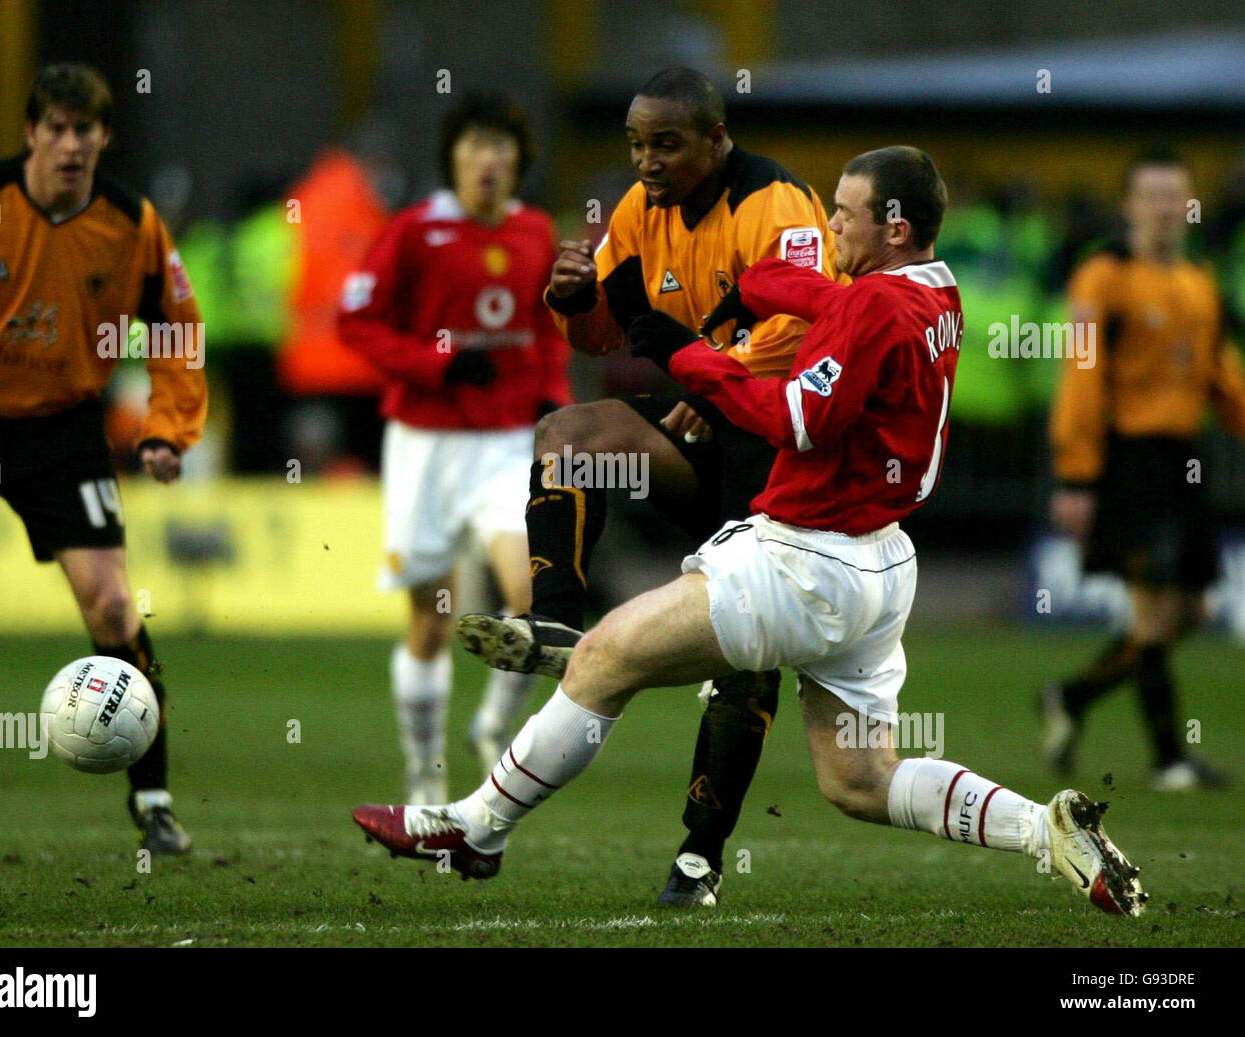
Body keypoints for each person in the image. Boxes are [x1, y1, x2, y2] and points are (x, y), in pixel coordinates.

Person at [356, 147, 1148, 918]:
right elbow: (826, 296)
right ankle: (1041, 827)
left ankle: (475, 828)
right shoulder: (935, 294)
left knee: (604, 656)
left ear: (896, 227)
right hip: (880, 566)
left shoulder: (876, 304)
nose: (832, 225)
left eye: (846, 213)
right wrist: (757, 284)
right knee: (859, 780)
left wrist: (689, 355)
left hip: (804, 558)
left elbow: (792, 418)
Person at [455, 67, 847, 907]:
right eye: (635, 144)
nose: (646, 161)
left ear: (715, 139)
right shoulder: (643, 209)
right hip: (704, 437)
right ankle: (559, 616)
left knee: (749, 661)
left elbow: (807, 331)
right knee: (571, 434)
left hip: (782, 457)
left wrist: (713, 386)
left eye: (665, 143)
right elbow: (605, 332)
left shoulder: (775, 203)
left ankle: (700, 858)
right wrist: (572, 298)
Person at [0, 63, 208, 852]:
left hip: (60, 429)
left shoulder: (132, 222)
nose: (68, 145)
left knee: (115, 610)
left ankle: (154, 799)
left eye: (83, 130)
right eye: (54, 129)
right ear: (30, 133)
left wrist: (167, 426)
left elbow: (174, 329)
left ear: (103, 137)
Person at [338, 94, 572, 805]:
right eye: (475, 147)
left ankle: (493, 728)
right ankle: (423, 769)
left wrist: (554, 398)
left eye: (501, 149)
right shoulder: (415, 231)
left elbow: (544, 331)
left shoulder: (536, 233)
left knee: (534, 598)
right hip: (426, 449)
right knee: (431, 619)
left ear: (517, 164)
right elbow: (356, 319)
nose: (488, 162)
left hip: (504, 444)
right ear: (454, 160)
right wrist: (436, 364)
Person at [1042, 147, 1245, 790]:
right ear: (1129, 205)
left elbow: (1220, 376)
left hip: (1183, 458)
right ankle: (1169, 758)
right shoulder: (1101, 276)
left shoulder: (1200, 282)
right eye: (1151, 196)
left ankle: (1072, 697)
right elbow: (1081, 374)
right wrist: (1077, 474)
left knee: (1193, 608)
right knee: (1155, 609)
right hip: (1126, 458)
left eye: (1175, 196)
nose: (1164, 208)